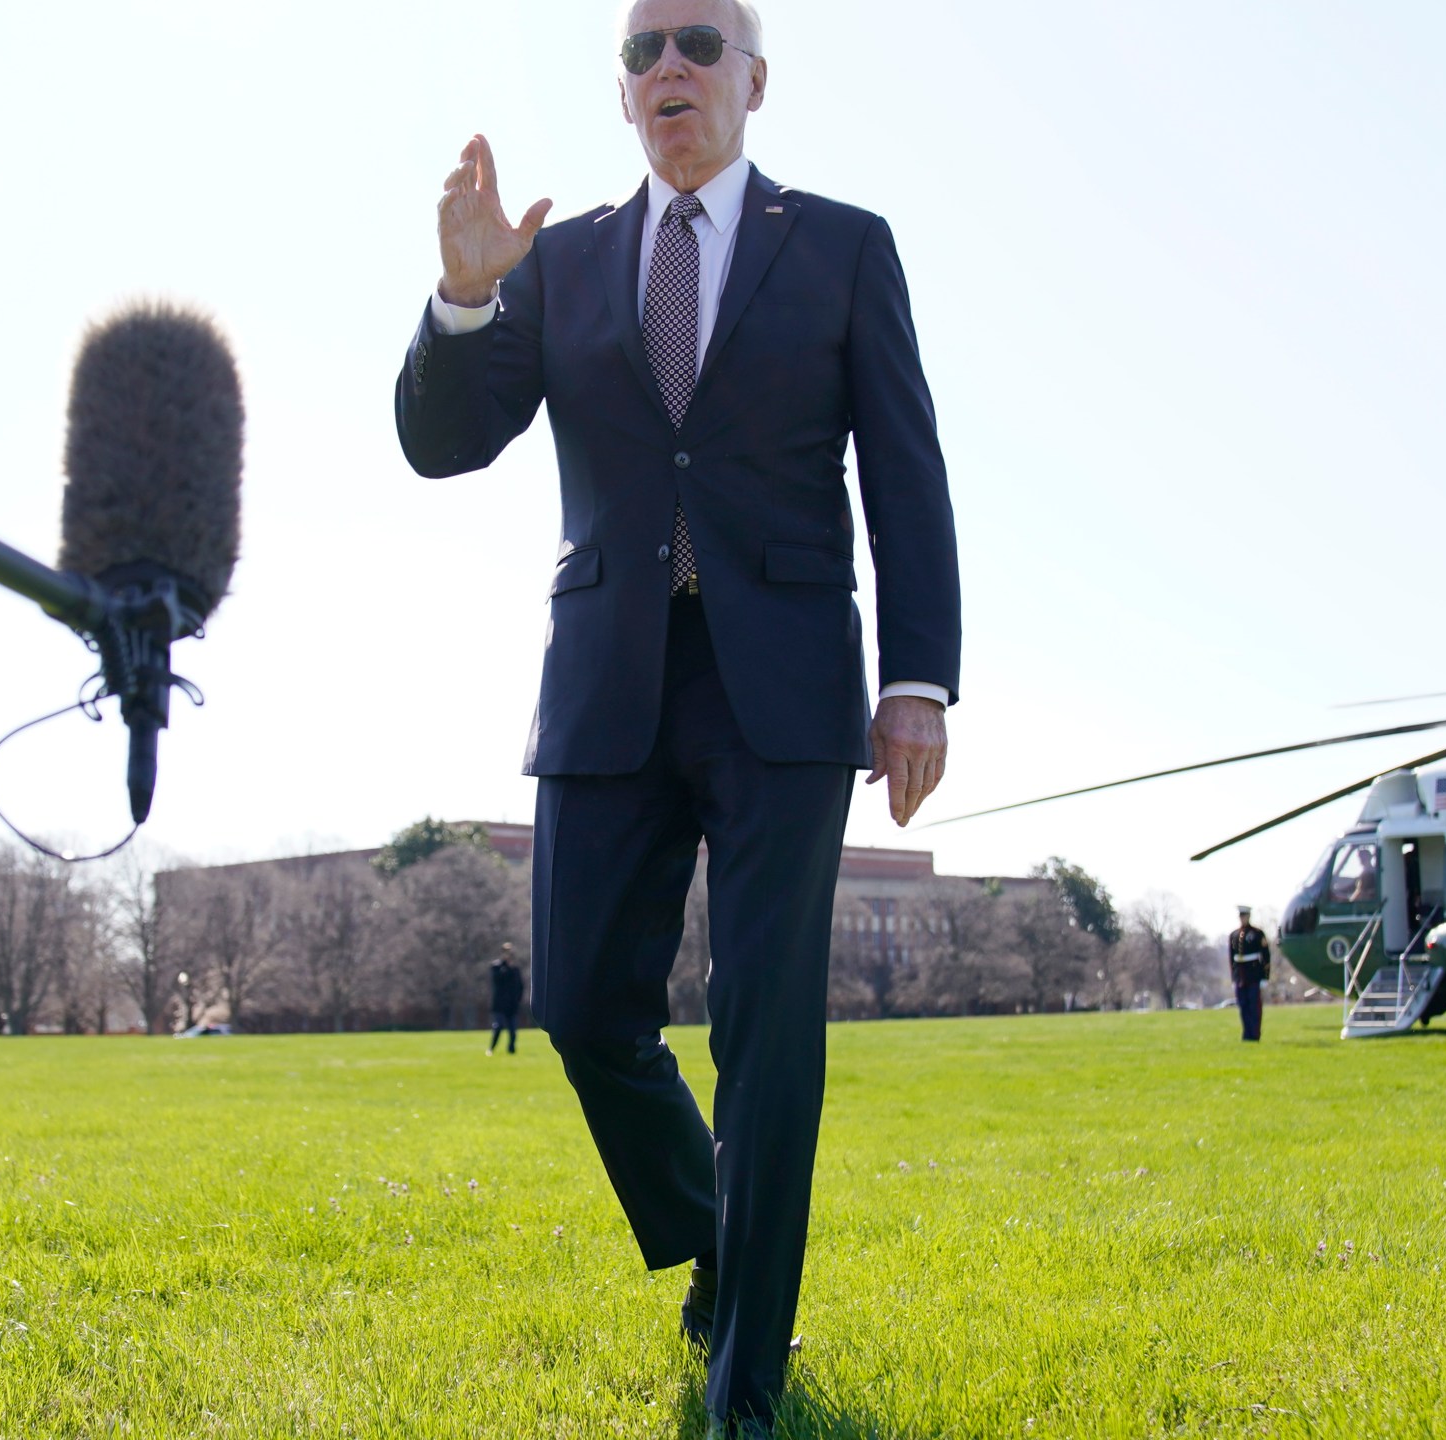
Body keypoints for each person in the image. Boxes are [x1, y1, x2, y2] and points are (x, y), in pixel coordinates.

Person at [393, 1, 960, 1430]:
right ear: (625, 95)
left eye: (698, 42)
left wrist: (918, 682)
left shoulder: (839, 246)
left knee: (769, 1032)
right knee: (585, 1008)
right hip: (608, 678)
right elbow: (443, 445)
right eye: (643, 51)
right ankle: (723, 1245)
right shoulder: (568, 259)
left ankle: (746, 1378)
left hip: (782, 687)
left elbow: (907, 471)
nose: (669, 69)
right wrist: (465, 302)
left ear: (754, 80)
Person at [1227, 906, 1272, 1042]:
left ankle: (1255, 1033)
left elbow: (1265, 956)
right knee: (1243, 1005)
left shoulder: (1257, 934)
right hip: (1240, 975)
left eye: (1244, 916)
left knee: (1254, 1006)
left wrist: (1265, 977)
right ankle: (1246, 1033)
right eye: (1241, 916)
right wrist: (1233, 978)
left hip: (1254, 974)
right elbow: (1232, 958)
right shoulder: (1234, 935)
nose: (1242, 918)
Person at [488, 943, 525, 1054]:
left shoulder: (515, 969)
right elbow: (497, 979)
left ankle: (511, 1050)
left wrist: (518, 999)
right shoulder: (496, 967)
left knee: (513, 1030)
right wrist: (506, 966)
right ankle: (491, 1048)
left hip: (512, 1004)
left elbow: (520, 985)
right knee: (498, 1026)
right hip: (499, 1003)